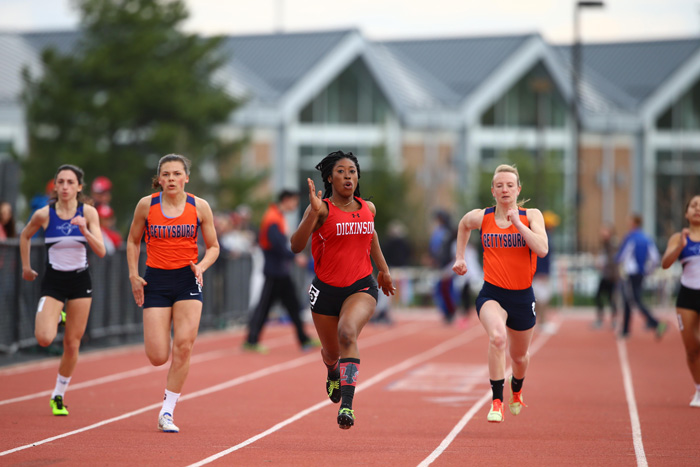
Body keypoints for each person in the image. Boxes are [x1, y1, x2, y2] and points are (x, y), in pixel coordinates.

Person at [290, 150, 395, 430]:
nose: (348, 176)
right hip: (325, 291)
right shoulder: (320, 209)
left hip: (361, 286)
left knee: (348, 332)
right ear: (329, 177)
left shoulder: (367, 208)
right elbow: (296, 245)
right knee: (330, 352)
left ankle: (347, 406)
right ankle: (332, 371)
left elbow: (371, 236)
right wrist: (311, 213)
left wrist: (383, 270)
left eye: (352, 171)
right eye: (341, 171)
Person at [126, 154, 220, 433]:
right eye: (166, 174)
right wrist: (133, 274)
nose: (171, 179)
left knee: (183, 346)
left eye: (177, 174)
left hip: (187, 279)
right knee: (157, 356)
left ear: (186, 178)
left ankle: (167, 411)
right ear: (159, 179)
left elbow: (214, 246)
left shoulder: (199, 206)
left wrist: (201, 266)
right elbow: (132, 240)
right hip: (155, 279)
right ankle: (164, 330)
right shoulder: (147, 205)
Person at [452, 164, 548, 423]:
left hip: (522, 297)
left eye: (509, 185)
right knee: (497, 338)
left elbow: (542, 249)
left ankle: (517, 388)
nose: (504, 189)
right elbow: (463, 224)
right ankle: (496, 400)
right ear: (493, 191)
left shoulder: (532, 216)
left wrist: (518, 223)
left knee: (519, 357)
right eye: (499, 186)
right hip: (492, 294)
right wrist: (460, 257)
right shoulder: (482, 217)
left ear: (518, 189)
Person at [19, 164, 106, 416]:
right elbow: (25, 236)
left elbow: (101, 251)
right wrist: (26, 267)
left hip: (80, 281)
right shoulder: (44, 214)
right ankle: (57, 315)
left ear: (79, 187)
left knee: (72, 343)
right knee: (44, 337)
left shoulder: (88, 212)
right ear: (55, 186)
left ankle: (58, 394)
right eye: (61, 182)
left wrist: (85, 231)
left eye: (70, 182)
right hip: (54, 281)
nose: (65, 187)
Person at [243, 189, 320, 353]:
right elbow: (276, 244)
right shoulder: (273, 217)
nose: (296, 205)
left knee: (292, 306)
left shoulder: (277, 217)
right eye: (294, 201)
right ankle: (251, 340)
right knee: (264, 307)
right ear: (286, 200)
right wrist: (294, 257)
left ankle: (303, 338)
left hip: (280, 272)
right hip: (274, 272)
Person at [660, 194, 700, 407]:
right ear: (686, 213)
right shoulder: (679, 237)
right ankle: (699, 389)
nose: (697, 209)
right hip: (687, 296)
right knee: (692, 349)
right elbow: (665, 263)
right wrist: (679, 247)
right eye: (694, 205)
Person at [615, 213, 666, 339]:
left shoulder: (630, 237)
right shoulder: (646, 238)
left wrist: (616, 260)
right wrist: (648, 270)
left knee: (634, 300)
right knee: (629, 300)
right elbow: (655, 257)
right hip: (640, 273)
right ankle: (626, 329)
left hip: (630, 273)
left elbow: (622, 255)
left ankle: (655, 323)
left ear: (633, 223)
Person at [532, 210, 559, 334]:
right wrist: (542, 272)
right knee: (542, 298)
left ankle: (539, 321)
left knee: (540, 298)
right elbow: (542, 256)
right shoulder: (545, 236)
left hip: (540, 272)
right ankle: (541, 322)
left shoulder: (543, 235)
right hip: (541, 273)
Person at [593, 224, 619, 329]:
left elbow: (613, 259)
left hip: (612, 276)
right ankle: (601, 319)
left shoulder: (613, 244)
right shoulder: (605, 244)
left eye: (604, 231)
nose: (602, 233)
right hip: (606, 275)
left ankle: (613, 320)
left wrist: (603, 264)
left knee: (611, 298)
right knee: (599, 296)